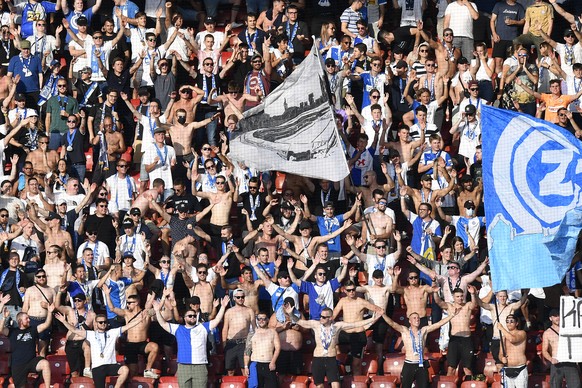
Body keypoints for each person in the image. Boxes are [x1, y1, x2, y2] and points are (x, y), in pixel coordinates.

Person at [287, 305, 378, 388]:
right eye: (320, 316)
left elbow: (355, 324)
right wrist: (291, 314)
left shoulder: (337, 326)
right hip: (318, 358)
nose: (321, 318)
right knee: (319, 385)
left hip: (331, 359)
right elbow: (300, 322)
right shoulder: (316, 324)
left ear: (330, 318)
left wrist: (372, 319)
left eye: (323, 317)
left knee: (336, 384)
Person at [54, 309, 147, 388]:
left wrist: (140, 319)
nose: (103, 324)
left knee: (125, 370)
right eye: (100, 322)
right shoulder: (90, 334)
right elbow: (74, 330)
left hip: (110, 365)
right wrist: (63, 321)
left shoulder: (112, 332)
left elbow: (128, 326)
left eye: (105, 322)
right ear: (96, 323)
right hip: (97, 368)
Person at [152, 295, 229, 388]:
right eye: (190, 316)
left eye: (194, 316)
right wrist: (157, 311)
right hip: (184, 367)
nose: (192, 317)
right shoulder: (178, 329)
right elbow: (163, 323)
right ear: (184, 318)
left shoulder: (203, 327)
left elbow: (216, 320)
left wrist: (223, 307)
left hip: (200, 367)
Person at [381, 308, 459, 388]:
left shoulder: (423, 331)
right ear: (409, 321)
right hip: (409, 365)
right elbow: (392, 323)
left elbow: (438, 324)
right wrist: (383, 314)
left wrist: (451, 316)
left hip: (421, 365)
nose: (417, 319)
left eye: (418, 318)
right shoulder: (405, 331)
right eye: (414, 318)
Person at [332, 280, 384, 375]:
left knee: (356, 364)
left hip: (358, 333)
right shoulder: (342, 301)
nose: (351, 292)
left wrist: (368, 324)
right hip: (345, 332)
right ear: (344, 291)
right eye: (349, 290)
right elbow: (332, 316)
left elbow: (380, 311)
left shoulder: (361, 302)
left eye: (353, 290)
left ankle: (357, 382)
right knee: (331, 341)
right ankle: (340, 366)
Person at [1, 303, 54, 388]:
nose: (29, 320)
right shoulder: (12, 332)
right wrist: (4, 317)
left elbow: (46, 324)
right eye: (27, 318)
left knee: (45, 363)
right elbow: (1, 330)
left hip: (31, 361)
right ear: (20, 321)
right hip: (18, 365)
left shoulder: (33, 329)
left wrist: (50, 312)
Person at [542, 309, 581, 388]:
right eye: (555, 316)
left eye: (559, 315)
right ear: (550, 318)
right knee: (555, 386)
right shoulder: (547, 333)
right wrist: (551, 359)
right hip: (556, 363)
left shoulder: (570, 329)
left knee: (576, 386)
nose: (558, 318)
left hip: (570, 362)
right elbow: (544, 351)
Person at [222, 288, 256, 376]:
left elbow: (254, 328)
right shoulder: (229, 312)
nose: (240, 299)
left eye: (242, 297)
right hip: (231, 343)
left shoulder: (249, 310)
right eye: (238, 297)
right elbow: (225, 328)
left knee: (244, 369)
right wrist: (224, 344)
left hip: (244, 343)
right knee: (230, 370)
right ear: (234, 298)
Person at [243, 311, 280, 387]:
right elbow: (247, 351)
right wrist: (246, 366)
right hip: (256, 364)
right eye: (259, 319)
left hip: (269, 364)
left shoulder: (273, 332)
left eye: (263, 319)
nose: (261, 321)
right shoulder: (252, 334)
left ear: (267, 320)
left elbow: (278, 348)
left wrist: (273, 362)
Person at [497, 314, 528, 388]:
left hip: (520, 369)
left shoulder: (522, 333)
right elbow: (500, 353)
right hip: (507, 369)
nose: (509, 323)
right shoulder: (503, 337)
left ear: (517, 323)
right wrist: (502, 358)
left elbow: (512, 339)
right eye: (507, 322)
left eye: (511, 321)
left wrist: (501, 328)